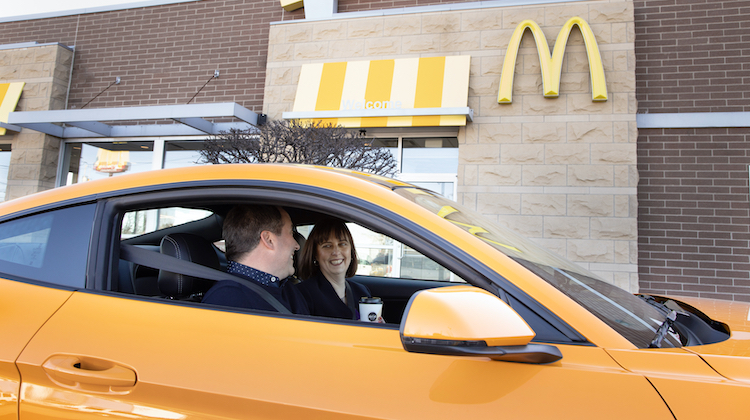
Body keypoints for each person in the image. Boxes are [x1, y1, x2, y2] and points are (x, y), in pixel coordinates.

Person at [202, 205, 309, 314]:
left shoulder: (288, 289)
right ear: (269, 240)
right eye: (291, 233)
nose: (297, 245)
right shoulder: (226, 301)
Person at [296, 218, 374, 320]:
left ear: (351, 250)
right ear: (315, 254)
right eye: (327, 246)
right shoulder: (303, 294)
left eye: (342, 244)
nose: (336, 252)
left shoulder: (361, 292)